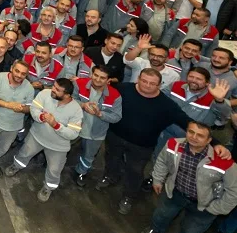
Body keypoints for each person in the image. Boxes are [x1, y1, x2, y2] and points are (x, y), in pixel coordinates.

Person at [97, 68, 231, 215]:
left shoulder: (167, 105)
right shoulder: (123, 88)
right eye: (144, 81)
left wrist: (216, 143)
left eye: (152, 83)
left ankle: (128, 196)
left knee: (134, 172)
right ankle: (110, 176)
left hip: (142, 146)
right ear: (138, 79)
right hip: (115, 136)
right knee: (111, 158)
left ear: (159, 85)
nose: (147, 85)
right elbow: (102, 90)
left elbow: (189, 123)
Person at [140, 121, 237, 233]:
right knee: (161, 215)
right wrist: (157, 179)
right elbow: (162, 162)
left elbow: (234, 190)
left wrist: (217, 208)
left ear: (209, 140)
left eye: (200, 135)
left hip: (205, 205)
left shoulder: (224, 162)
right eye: (191, 132)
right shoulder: (173, 145)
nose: (194, 137)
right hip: (175, 193)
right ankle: (156, 229)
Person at [4, 78, 83, 202]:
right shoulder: (45, 94)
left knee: (54, 169)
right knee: (24, 153)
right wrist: (40, 116)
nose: (53, 90)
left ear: (67, 95)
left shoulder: (76, 110)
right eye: (54, 86)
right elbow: (34, 108)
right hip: (37, 136)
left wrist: (56, 125)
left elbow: (73, 134)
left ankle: (48, 187)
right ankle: (16, 165)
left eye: (57, 90)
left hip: (58, 147)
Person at [72, 65, 122, 187]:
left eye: (102, 78)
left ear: (108, 80)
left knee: (88, 156)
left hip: (95, 133)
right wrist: (83, 105)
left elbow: (116, 117)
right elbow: (69, 99)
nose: (98, 79)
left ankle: (81, 172)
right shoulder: (79, 84)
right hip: (74, 126)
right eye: (96, 75)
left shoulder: (115, 96)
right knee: (63, 147)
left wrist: (100, 114)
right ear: (91, 74)